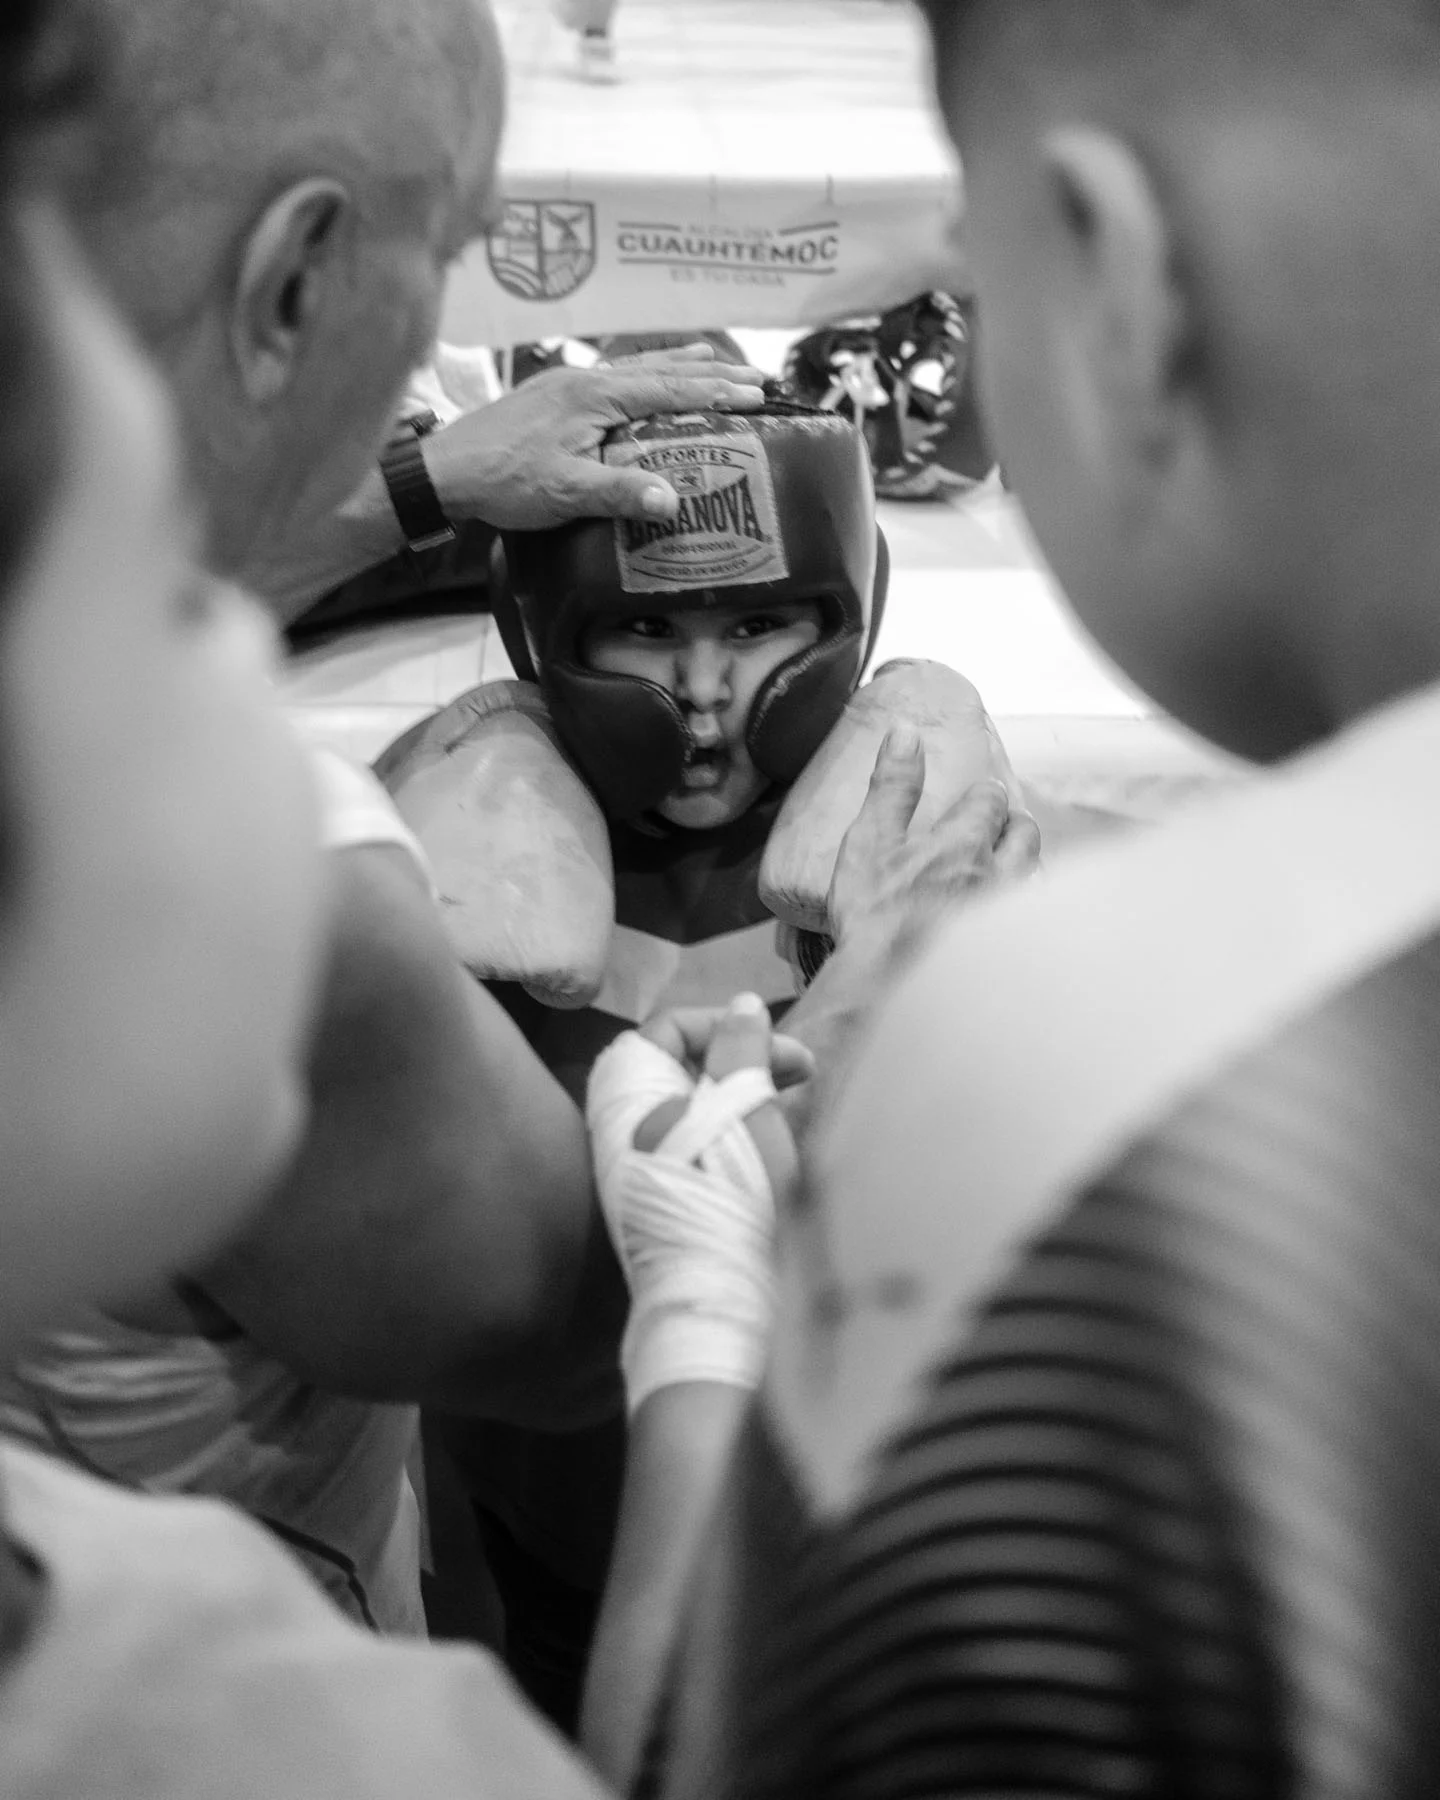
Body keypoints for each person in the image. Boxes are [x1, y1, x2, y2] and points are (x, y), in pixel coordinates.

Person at [612, 1, 1440, 1794]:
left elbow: (708, 1749)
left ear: (1116, 281)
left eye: (981, 288)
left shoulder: (1106, 1069)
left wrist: (703, 1326)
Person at [0, 0, 774, 1635]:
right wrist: (753, 1142)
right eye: (451, 252)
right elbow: (569, 1331)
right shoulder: (253, 880)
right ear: (296, 278)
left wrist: (420, 485)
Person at [382, 397, 1039, 1722]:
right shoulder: (449, 854)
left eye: (756, 627)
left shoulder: (923, 846)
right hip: (554, 1492)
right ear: (535, 628)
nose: (700, 694)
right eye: (643, 628)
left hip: (836, 1502)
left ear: (856, 609)